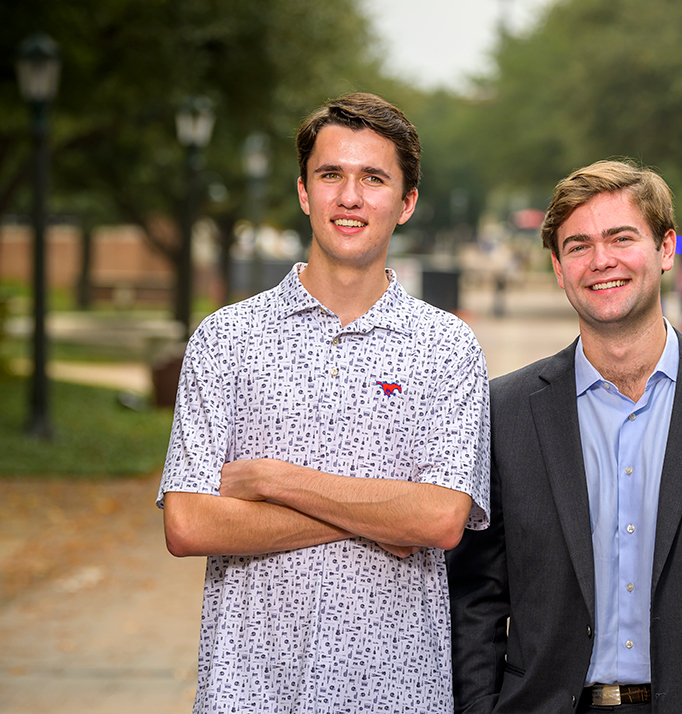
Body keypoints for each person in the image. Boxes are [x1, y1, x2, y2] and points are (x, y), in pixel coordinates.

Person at [448, 159, 682, 713]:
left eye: (621, 237)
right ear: (557, 267)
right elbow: (477, 596)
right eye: (577, 246)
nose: (601, 261)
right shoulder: (504, 411)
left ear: (666, 249)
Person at [157, 93, 490, 712]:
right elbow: (188, 523)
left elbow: (439, 521)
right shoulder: (226, 338)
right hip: (249, 691)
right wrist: (378, 517)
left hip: (395, 691)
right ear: (305, 192)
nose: (350, 196)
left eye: (374, 178)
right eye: (331, 174)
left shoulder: (448, 347)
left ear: (407, 202)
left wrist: (273, 480)